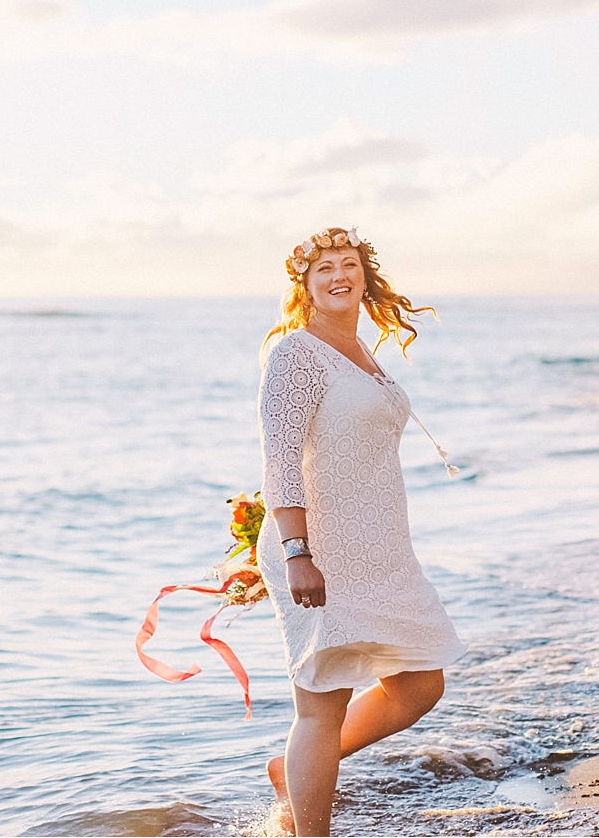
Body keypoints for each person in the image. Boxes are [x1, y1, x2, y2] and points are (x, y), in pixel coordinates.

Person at [255, 226, 466, 837]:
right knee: (322, 704)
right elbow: (282, 458)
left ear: (366, 278)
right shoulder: (297, 353)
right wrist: (297, 551)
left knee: (421, 683)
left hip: (380, 551)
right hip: (319, 549)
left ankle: (290, 772)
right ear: (305, 285)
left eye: (349, 264)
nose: (338, 275)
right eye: (323, 268)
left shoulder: (363, 353)